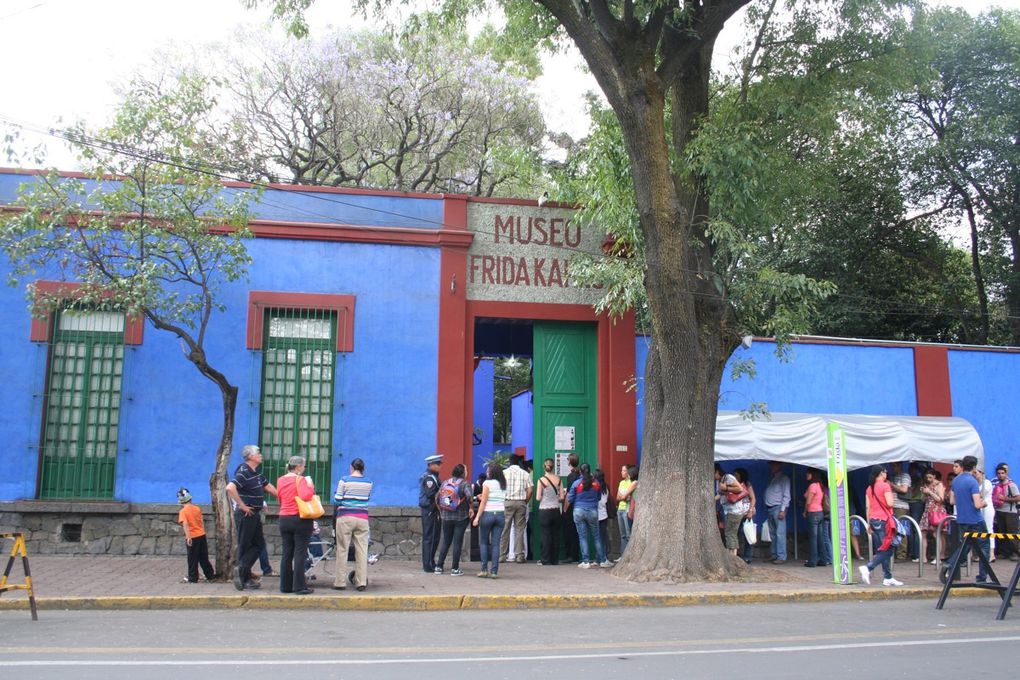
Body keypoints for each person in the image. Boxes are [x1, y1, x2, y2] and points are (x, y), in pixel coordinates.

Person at [225, 444, 278, 591]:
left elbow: (268, 487)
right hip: (246, 514)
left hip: (255, 513)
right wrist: (241, 505)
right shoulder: (243, 471)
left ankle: (242, 569)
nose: (261, 455)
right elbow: (230, 488)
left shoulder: (256, 473)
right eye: (258, 453)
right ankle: (244, 576)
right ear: (250, 456)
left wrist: (284, 496)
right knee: (245, 545)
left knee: (258, 544)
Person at [276, 455, 315, 595]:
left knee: (287, 553)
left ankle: (285, 586)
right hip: (299, 519)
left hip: (284, 518)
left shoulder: (280, 480)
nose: (304, 469)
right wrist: (311, 487)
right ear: (298, 467)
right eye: (303, 466)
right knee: (300, 553)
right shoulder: (301, 479)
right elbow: (306, 496)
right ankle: (299, 586)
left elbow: (279, 497)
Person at [947, 455, 990, 583]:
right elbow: (977, 504)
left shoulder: (956, 481)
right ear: (974, 467)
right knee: (984, 546)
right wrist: (984, 503)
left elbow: (952, 500)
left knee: (965, 545)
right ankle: (982, 576)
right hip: (975, 519)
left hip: (962, 518)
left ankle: (950, 564)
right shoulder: (972, 482)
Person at [858, 465, 903, 587]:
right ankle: (868, 568)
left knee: (882, 549)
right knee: (888, 550)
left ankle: (887, 577)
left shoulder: (869, 488)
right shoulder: (885, 485)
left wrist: (868, 523)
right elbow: (890, 503)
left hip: (873, 520)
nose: (886, 473)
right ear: (881, 473)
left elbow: (868, 507)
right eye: (885, 472)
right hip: (884, 520)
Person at [333, 457, 372, 591]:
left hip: (345, 517)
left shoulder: (344, 480)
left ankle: (340, 582)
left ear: (351, 467)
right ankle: (361, 582)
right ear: (363, 468)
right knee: (362, 550)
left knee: (342, 549)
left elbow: (337, 500)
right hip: (362, 518)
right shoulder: (369, 482)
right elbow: (366, 499)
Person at [567, 463, 609, 568]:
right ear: (590, 471)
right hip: (593, 511)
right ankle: (603, 560)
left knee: (582, 536)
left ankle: (585, 561)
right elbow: (599, 497)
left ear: (580, 472)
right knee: (596, 536)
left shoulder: (576, 483)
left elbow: (570, 499)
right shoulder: (596, 483)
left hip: (578, 511)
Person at [435, 463, 473, 576]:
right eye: (466, 470)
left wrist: (442, 511)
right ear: (462, 473)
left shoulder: (445, 482)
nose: (467, 472)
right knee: (457, 542)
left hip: (446, 517)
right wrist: (471, 508)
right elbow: (470, 496)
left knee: (446, 541)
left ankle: (439, 566)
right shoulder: (465, 484)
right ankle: (455, 569)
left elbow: (437, 498)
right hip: (460, 517)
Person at [473, 463, 507, 578]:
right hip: (500, 515)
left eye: (488, 470)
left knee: (483, 542)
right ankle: (494, 572)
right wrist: (483, 497)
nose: (487, 472)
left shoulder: (487, 483)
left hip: (488, 514)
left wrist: (477, 517)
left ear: (491, 472)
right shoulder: (503, 483)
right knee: (496, 544)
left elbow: (484, 502)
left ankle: (484, 570)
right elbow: (496, 497)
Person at [176, 487, 215, 583]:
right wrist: (202, 531)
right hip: (201, 535)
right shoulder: (197, 509)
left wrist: (188, 537)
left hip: (192, 536)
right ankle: (209, 575)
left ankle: (193, 577)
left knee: (192, 558)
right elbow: (201, 521)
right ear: (190, 498)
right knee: (203, 557)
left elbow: (185, 524)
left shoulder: (183, 512)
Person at [500, 454, 533, 564]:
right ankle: (519, 555)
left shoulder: (504, 473)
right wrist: (524, 501)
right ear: (518, 462)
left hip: (508, 502)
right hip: (520, 502)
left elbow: (500, 489)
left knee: (506, 528)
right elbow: (530, 491)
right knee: (520, 529)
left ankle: (502, 555)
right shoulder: (525, 473)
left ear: (509, 461)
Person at [535, 457, 563, 565]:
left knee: (545, 535)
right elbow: (561, 497)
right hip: (556, 510)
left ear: (544, 467)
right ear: (553, 467)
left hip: (544, 510)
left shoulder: (541, 480)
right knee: (556, 535)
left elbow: (538, 498)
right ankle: (554, 559)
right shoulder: (559, 480)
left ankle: (545, 559)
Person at [418, 453, 443, 574]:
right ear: (430, 465)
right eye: (437, 464)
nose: (440, 466)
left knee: (434, 536)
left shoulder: (433, 476)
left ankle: (431, 561)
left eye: (440, 464)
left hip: (433, 509)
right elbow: (430, 494)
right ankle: (428, 564)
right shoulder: (429, 478)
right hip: (430, 509)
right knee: (430, 537)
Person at [763, 461, 790, 564]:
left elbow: (786, 496)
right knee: (773, 533)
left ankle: (781, 556)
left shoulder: (784, 479)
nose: (772, 467)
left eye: (773, 465)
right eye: (771, 465)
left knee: (780, 533)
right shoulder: (772, 478)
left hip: (778, 508)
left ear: (779, 465)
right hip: (770, 508)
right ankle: (774, 554)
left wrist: (783, 510)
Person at [717, 466, 748, 557]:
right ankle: (732, 555)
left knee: (730, 534)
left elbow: (740, 489)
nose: (735, 477)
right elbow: (721, 495)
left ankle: (732, 556)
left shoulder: (727, 478)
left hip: (734, 511)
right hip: (729, 510)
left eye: (737, 475)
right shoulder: (722, 481)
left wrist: (726, 488)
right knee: (731, 533)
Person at [992, 463, 1020, 560]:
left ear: (1006, 473)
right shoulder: (997, 485)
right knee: (1001, 532)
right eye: (999, 473)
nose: (1000, 475)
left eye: (1002, 473)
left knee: (1012, 532)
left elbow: (1018, 497)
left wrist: (1005, 499)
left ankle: (1015, 553)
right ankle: (1004, 552)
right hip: (999, 511)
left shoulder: (1011, 485)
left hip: (1010, 512)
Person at [919, 468, 947, 564]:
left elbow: (940, 499)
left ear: (934, 476)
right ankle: (923, 557)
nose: (928, 479)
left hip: (936, 511)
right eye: (927, 477)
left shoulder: (939, 485)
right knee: (923, 533)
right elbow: (923, 500)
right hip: (927, 511)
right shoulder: (927, 485)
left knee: (937, 534)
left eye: (930, 477)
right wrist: (924, 493)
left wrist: (930, 492)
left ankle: (939, 557)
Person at [803, 468, 827, 567]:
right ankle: (823, 559)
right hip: (820, 512)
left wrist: (805, 511)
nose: (806, 475)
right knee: (820, 537)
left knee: (813, 538)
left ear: (812, 474)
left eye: (808, 473)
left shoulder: (812, 486)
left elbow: (808, 501)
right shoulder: (819, 485)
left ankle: (812, 561)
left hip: (813, 513)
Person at [889, 461, 912, 561]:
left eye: (894, 466)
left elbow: (904, 490)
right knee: (893, 530)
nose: (893, 468)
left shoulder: (905, 476)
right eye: (892, 466)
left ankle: (902, 554)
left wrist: (891, 485)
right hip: (892, 505)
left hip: (901, 506)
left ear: (899, 465)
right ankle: (894, 552)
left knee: (901, 530)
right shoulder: (892, 476)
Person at [733, 467, 756, 564]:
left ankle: (747, 557)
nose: (735, 476)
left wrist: (750, 511)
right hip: (737, 512)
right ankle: (735, 555)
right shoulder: (733, 485)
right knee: (735, 534)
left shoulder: (747, 484)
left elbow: (753, 499)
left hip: (747, 512)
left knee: (748, 534)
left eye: (737, 475)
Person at [562, 453, 581, 563]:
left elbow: (569, 494)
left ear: (570, 462)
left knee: (570, 531)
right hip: (579, 505)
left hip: (572, 507)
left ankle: (571, 555)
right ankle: (577, 555)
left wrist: (565, 508)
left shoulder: (571, 476)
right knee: (577, 532)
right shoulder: (579, 475)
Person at [975, 467, 996, 563]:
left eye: (976, 472)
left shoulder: (986, 483)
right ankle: (981, 553)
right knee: (980, 531)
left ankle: (991, 553)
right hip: (978, 508)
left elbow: (981, 495)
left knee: (988, 529)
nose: (974, 474)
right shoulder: (975, 483)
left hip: (987, 508)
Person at [616, 464, 635, 555]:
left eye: (623, 470)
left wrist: (623, 497)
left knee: (628, 534)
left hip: (627, 510)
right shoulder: (621, 483)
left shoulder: (631, 483)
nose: (621, 472)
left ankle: (629, 554)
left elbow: (629, 498)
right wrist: (624, 497)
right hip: (620, 509)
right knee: (622, 535)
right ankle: (622, 555)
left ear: (628, 472)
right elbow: (617, 497)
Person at [595, 468, 612, 560]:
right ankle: (604, 557)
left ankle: (599, 558)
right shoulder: (606, 487)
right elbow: (605, 500)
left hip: (596, 514)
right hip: (604, 514)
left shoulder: (594, 486)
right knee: (603, 537)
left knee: (597, 538)